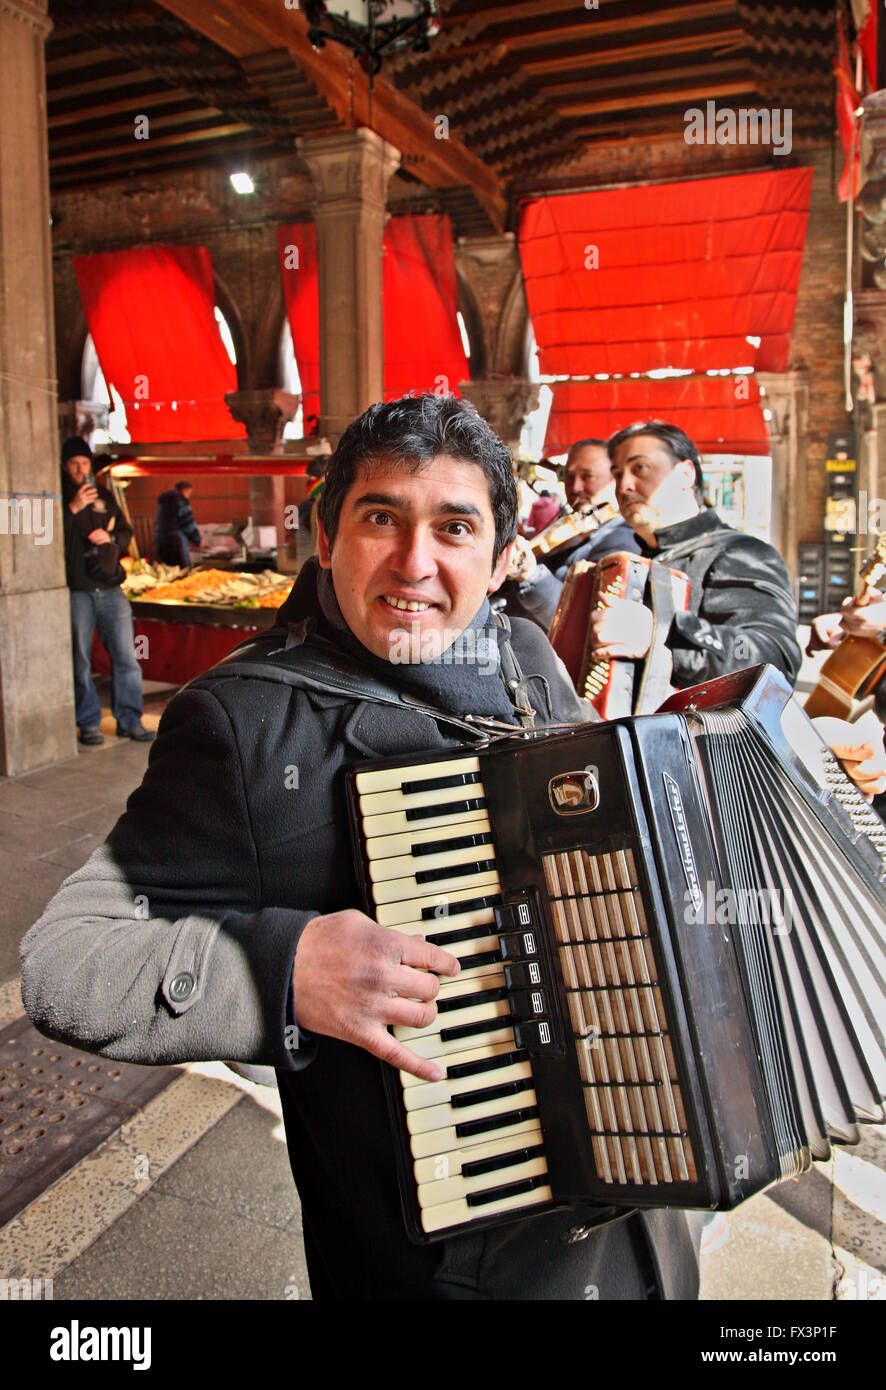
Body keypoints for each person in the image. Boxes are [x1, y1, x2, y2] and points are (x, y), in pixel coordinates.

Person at [24, 396, 700, 1301]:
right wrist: (282, 970)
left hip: (638, 1211)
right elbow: (65, 961)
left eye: (455, 527)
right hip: (442, 1264)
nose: (414, 563)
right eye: (381, 517)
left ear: (503, 558)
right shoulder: (245, 722)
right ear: (328, 536)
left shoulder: (525, 656)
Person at [589, 421, 802, 687]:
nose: (624, 486)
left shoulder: (740, 553)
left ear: (686, 474)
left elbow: (773, 658)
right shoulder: (632, 561)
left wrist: (661, 637)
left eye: (640, 468)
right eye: (618, 474)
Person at [60, 436, 154, 745]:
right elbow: (44, 535)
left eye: (84, 463)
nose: (80, 469)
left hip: (111, 587)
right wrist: (72, 508)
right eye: (74, 464)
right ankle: (88, 724)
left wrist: (111, 538)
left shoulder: (102, 494)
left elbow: (125, 531)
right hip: (78, 590)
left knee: (127, 656)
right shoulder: (57, 497)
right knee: (81, 660)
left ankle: (130, 720)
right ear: (65, 466)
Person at [502, 438, 640, 629]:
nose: (575, 488)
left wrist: (531, 575)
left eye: (588, 476)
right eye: (569, 477)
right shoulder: (572, 524)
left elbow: (581, 624)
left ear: (614, 478)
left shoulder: (623, 540)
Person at [154, 480, 200, 567]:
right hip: (176, 542)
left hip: (160, 540)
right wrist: (197, 540)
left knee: (167, 570)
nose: (188, 496)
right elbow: (188, 522)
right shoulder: (181, 501)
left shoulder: (163, 501)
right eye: (189, 493)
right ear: (184, 490)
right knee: (182, 571)